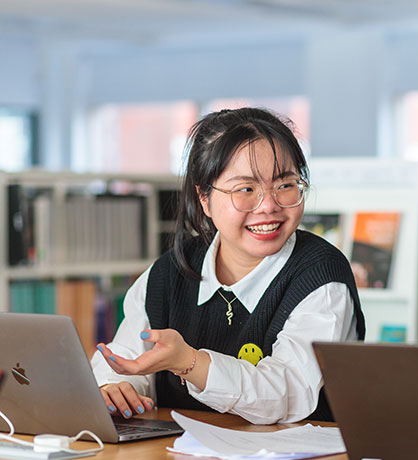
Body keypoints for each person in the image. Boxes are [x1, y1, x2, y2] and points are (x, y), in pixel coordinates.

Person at [91, 107, 365, 424]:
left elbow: (288, 393)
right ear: (204, 198)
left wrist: (190, 362)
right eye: (246, 189)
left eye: (286, 185)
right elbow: (129, 355)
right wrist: (117, 387)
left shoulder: (321, 275)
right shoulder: (168, 272)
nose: (269, 206)